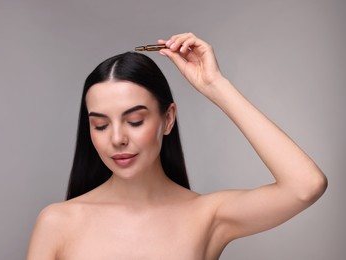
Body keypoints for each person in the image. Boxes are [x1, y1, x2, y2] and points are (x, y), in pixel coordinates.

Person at [27, 33, 327, 259]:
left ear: (167, 119)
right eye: (101, 125)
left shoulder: (207, 215)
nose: (117, 138)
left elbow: (306, 186)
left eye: (134, 121)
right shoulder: (58, 221)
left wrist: (215, 85)